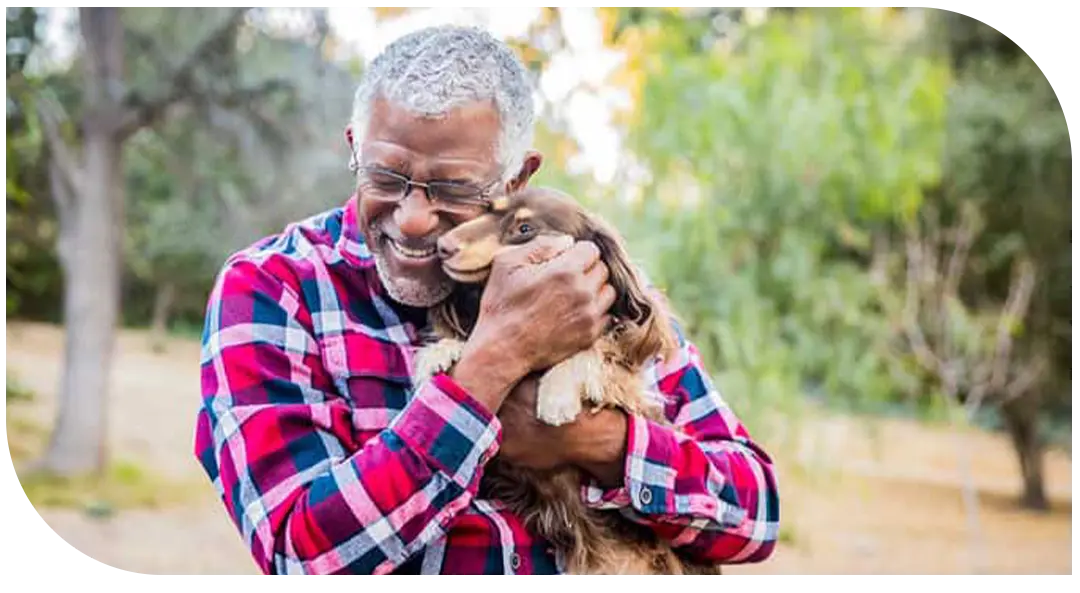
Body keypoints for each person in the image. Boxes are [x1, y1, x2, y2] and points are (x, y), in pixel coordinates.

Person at [193, 24, 780, 577]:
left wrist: (593, 441)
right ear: (355, 147)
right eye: (385, 178)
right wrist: (494, 363)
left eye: (454, 188)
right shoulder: (273, 288)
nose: (415, 219)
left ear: (517, 180)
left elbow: (755, 515)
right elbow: (303, 553)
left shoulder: (582, 283)